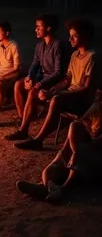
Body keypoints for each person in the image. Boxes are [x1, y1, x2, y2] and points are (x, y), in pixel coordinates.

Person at [15, 18, 96, 150]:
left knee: (56, 99)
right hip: (69, 96)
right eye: (70, 36)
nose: (70, 39)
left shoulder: (92, 57)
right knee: (38, 93)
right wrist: (50, 91)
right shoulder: (75, 55)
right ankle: (23, 129)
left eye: (75, 36)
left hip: (81, 99)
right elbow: (66, 80)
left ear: (85, 36)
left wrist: (57, 93)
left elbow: (86, 88)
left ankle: (38, 140)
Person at [16, 87, 102, 203]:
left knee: (80, 155)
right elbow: (82, 121)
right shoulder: (97, 106)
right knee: (73, 130)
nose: (97, 95)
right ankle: (49, 186)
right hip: (84, 147)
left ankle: (63, 190)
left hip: (95, 153)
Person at [6, 15, 63, 141]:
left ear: (48, 28)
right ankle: (24, 120)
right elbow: (35, 64)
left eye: (38, 27)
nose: (35, 30)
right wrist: (29, 77)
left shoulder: (57, 45)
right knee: (18, 85)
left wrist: (40, 83)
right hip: (41, 79)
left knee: (32, 92)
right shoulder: (40, 46)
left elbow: (58, 72)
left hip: (52, 82)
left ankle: (23, 130)